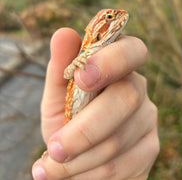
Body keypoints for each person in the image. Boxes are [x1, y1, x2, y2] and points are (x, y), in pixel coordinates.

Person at [32, 28, 159, 180]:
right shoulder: (85, 55)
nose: (120, 18)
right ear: (98, 34)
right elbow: (67, 74)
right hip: (70, 117)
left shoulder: (97, 56)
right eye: (111, 18)